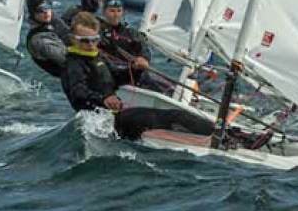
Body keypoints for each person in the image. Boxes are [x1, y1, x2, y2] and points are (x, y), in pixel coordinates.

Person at [59, 12, 272, 146]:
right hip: (102, 122)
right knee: (174, 115)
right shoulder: (73, 64)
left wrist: (135, 68)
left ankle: (235, 135)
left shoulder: (95, 57)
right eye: (84, 40)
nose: (90, 44)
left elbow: (117, 76)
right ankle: (232, 138)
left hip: (113, 115)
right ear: (73, 39)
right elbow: (78, 93)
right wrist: (103, 99)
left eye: (94, 39)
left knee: (175, 116)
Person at [97, 0, 171, 94]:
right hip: (113, 76)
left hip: (135, 74)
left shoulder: (131, 33)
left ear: (123, 13)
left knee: (169, 90)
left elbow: (143, 48)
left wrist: (144, 59)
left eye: (119, 11)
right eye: (112, 11)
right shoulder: (97, 31)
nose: (116, 14)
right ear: (104, 12)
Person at [24, 0, 68, 78]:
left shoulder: (54, 23)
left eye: (48, 6)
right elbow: (64, 58)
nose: (46, 11)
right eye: (41, 9)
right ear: (33, 13)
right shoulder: (38, 39)